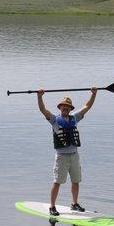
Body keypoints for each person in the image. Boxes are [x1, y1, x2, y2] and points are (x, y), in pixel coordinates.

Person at [37, 87, 97, 216]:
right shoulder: (54, 119)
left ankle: (75, 204)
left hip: (74, 156)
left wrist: (93, 94)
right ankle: (52, 207)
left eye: (68, 107)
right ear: (60, 108)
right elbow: (42, 110)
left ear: (70, 109)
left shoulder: (75, 118)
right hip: (61, 157)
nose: (65, 108)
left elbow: (88, 106)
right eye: (63, 106)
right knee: (57, 182)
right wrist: (40, 96)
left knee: (76, 180)